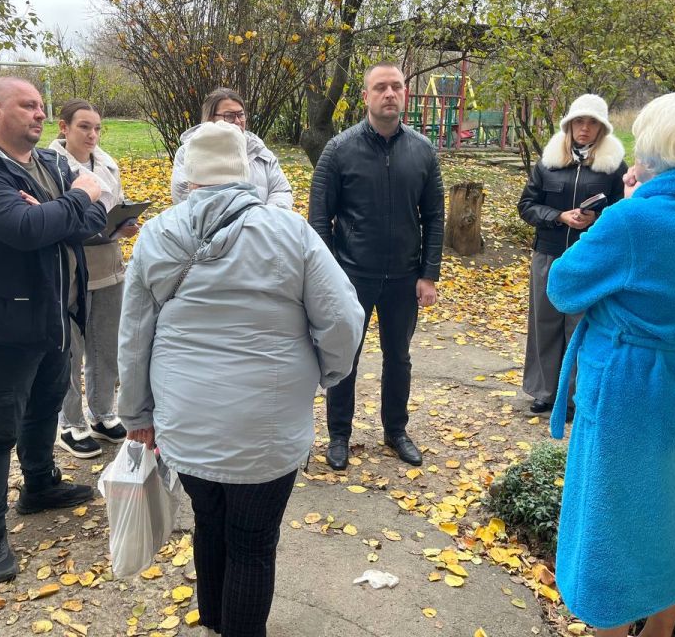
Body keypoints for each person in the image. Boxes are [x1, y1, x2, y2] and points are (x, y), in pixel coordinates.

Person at [119, 120, 363, 637]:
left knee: (208, 524)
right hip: (267, 426)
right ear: (247, 170)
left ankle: (213, 623)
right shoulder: (289, 230)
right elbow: (343, 317)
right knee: (253, 542)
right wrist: (329, 371)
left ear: (187, 174)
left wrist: (136, 413)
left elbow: (134, 335)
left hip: (185, 419)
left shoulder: (157, 233)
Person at [546, 93, 675, 636]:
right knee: (669, 517)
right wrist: (639, 200)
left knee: (612, 520)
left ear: (655, 146)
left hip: (632, 388)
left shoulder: (634, 221)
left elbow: (563, 286)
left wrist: (628, 207)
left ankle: (611, 626)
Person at [0, 77, 111, 582]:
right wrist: (72, 201)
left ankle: (39, 485)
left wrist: (59, 211)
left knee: (44, 406)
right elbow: (25, 230)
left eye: (41, 106)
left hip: (51, 313)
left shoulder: (46, 164)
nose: (40, 114)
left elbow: (87, 223)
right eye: (28, 106)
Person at [308, 61, 445, 471]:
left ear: (405, 94)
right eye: (380, 87)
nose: (389, 94)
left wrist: (429, 274)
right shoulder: (339, 150)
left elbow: (435, 216)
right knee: (344, 357)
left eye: (396, 87)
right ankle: (338, 435)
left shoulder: (422, 151)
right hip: (351, 275)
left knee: (398, 357)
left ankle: (396, 430)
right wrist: (329, 275)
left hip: (404, 277)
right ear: (365, 96)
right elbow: (319, 219)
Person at [517, 94, 627, 417]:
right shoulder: (549, 161)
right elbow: (526, 205)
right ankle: (544, 392)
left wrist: (597, 219)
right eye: (579, 121)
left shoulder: (613, 168)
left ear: (601, 129)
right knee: (544, 321)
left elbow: (623, 213)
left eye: (592, 123)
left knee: (580, 325)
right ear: (569, 125)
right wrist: (558, 216)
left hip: (589, 259)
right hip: (549, 254)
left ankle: (576, 396)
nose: (585, 128)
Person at [48, 100, 136, 458]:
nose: (93, 135)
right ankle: (70, 422)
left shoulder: (107, 162)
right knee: (71, 348)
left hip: (109, 265)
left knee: (106, 343)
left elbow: (118, 202)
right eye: (84, 127)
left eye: (97, 127)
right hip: (70, 268)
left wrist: (126, 223)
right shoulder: (48, 165)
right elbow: (55, 218)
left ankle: (103, 413)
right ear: (64, 127)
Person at [170, 87, 293, 208]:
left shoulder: (259, 151)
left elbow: (281, 191)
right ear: (210, 118)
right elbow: (183, 197)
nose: (238, 121)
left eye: (241, 114)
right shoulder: (188, 152)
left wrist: (265, 219)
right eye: (229, 116)